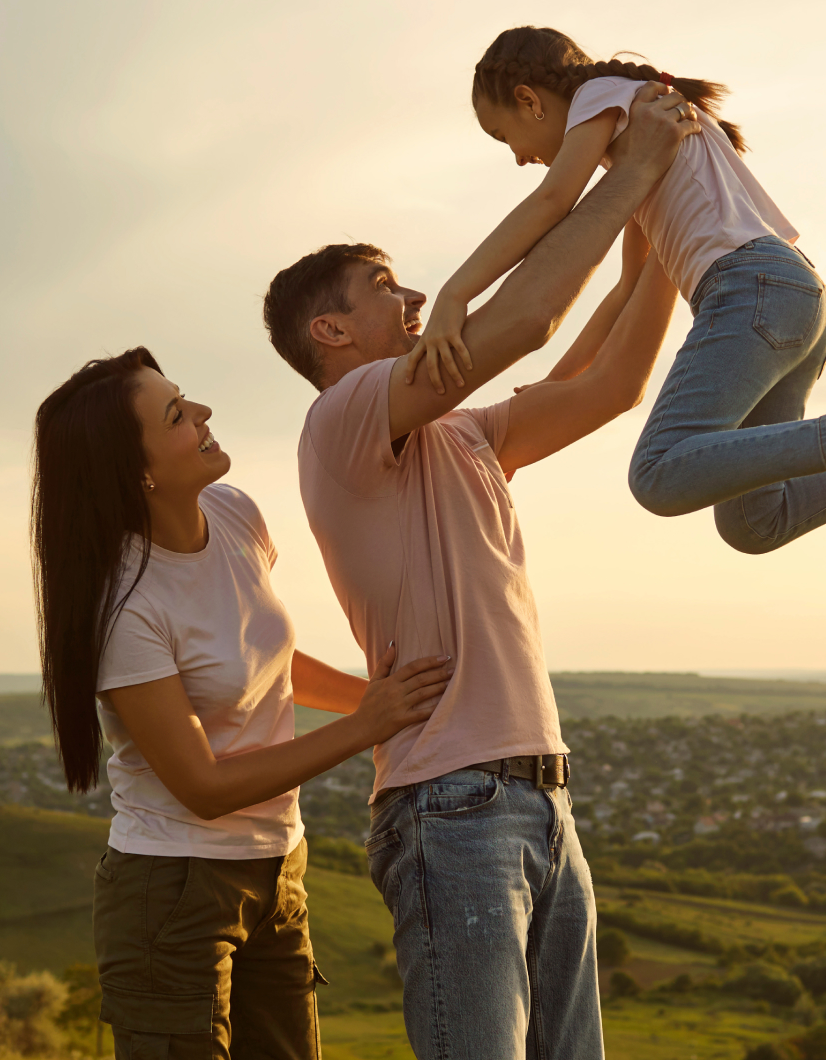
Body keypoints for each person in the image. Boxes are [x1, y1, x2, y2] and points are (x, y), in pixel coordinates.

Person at [261, 84, 697, 1059]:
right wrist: (628, 172)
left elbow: (611, 382)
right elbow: (527, 320)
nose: (414, 296)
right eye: (383, 285)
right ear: (330, 333)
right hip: (450, 806)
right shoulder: (345, 419)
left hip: (543, 803)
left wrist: (657, 225)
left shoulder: (462, 434)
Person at [402, 25, 826, 551]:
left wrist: (455, 297)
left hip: (752, 292)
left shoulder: (608, 93)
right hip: (800, 305)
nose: (517, 156)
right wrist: (554, 389)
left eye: (503, 135)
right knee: (754, 525)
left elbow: (552, 202)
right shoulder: (642, 144)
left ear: (529, 99)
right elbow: (626, 288)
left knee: (658, 473)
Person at [31, 347, 455, 1060]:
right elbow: (204, 788)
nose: (202, 414)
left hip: (279, 867)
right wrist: (365, 725)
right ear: (137, 472)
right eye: (176, 415)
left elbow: (266, 660)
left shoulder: (234, 516)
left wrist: (379, 698)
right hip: (174, 892)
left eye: (186, 399)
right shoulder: (129, 610)